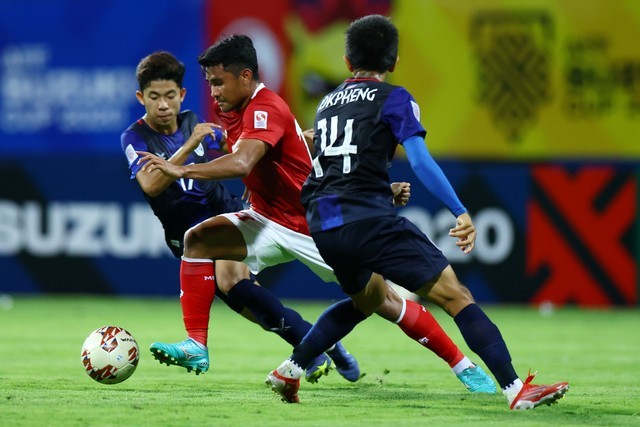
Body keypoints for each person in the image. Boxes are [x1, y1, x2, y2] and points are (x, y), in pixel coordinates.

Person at [137, 36, 496, 393]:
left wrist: (180, 170)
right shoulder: (235, 109)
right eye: (210, 83)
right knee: (197, 240)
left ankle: (461, 364)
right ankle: (197, 346)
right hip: (266, 218)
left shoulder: (266, 106)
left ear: (245, 76)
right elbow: (278, 159)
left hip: (308, 224)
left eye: (218, 82)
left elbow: (244, 159)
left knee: (383, 300)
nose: (213, 91)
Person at [265, 15, 569, 410]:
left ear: (345, 60)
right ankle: (516, 389)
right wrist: (459, 210)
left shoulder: (326, 104)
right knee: (456, 295)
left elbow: (336, 163)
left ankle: (291, 368)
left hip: (323, 223)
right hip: (367, 220)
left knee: (366, 301)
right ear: (393, 62)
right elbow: (422, 162)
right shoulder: (394, 97)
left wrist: (380, 189)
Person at [121, 51, 360, 382]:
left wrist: (272, 162)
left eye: (170, 95)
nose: (163, 105)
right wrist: (190, 144)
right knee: (249, 303)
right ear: (141, 98)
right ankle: (324, 347)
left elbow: (240, 148)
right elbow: (151, 184)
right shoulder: (136, 137)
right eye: (154, 97)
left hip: (226, 214)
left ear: (182, 95)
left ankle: (314, 347)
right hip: (186, 233)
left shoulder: (197, 122)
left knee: (237, 285)